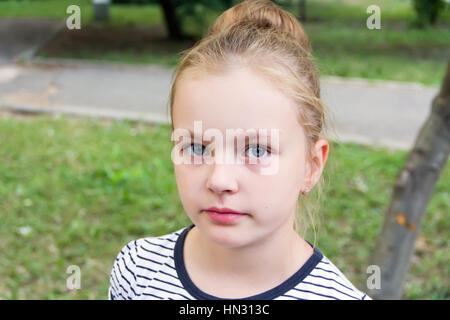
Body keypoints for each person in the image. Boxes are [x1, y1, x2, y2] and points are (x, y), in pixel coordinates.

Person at [108, 0, 371, 300]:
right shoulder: (138, 273)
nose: (219, 180)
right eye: (195, 147)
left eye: (257, 150)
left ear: (311, 166)